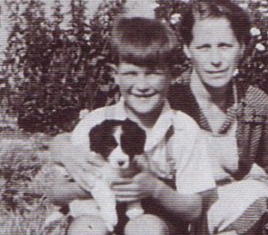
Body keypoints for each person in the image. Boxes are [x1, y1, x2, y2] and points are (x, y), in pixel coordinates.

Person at [47, 16, 216, 235]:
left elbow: (194, 209)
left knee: (145, 228)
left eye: (153, 73)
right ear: (114, 75)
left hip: (156, 222)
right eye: (130, 73)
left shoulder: (182, 128)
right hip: (97, 213)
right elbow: (55, 193)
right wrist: (89, 184)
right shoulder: (95, 123)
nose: (142, 85)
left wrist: (155, 189)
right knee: (85, 229)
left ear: (171, 75)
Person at [168, 0, 268, 235]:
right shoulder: (170, 99)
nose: (215, 60)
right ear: (187, 49)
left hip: (230, 215)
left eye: (225, 46)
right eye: (204, 47)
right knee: (256, 195)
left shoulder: (255, 102)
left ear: (242, 47)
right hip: (177, 211)